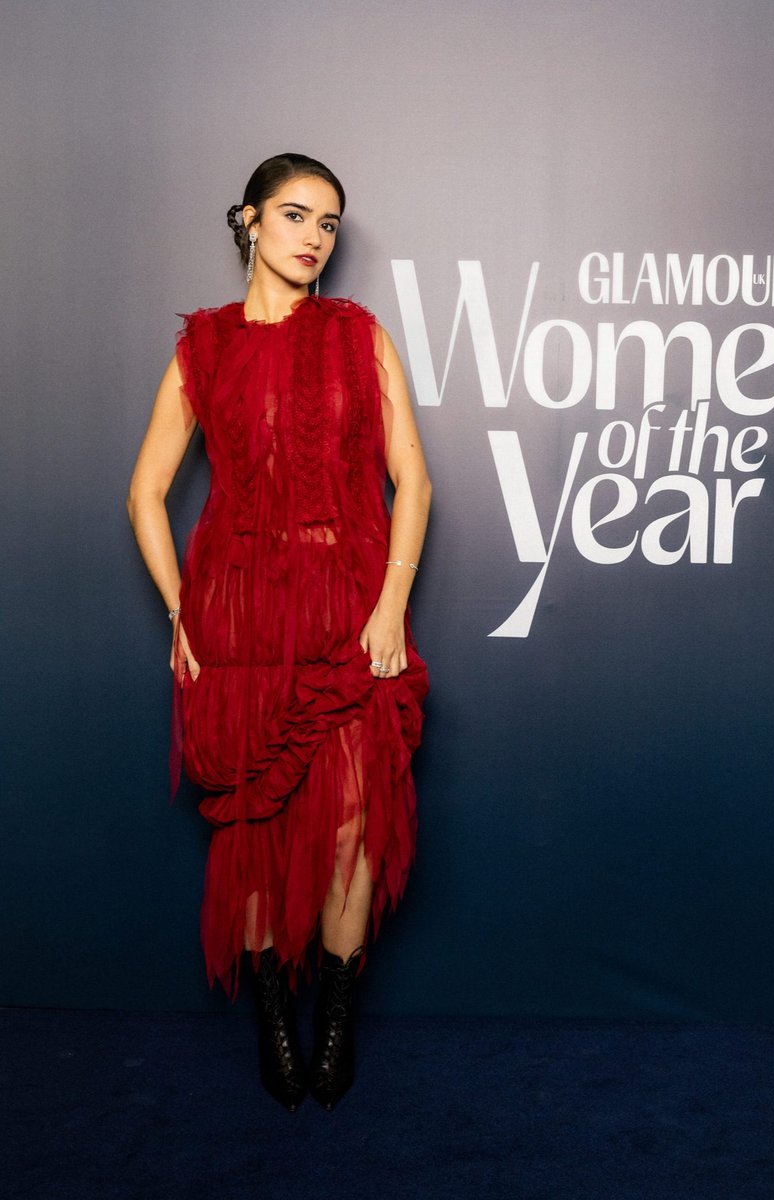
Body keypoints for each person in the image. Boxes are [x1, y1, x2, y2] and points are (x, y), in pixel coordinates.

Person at [127, 153, 431, 1112]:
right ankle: (272, 1024)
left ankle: (335, 1019)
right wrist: (182, 611)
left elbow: (413, 484)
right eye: (296, 216)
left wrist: (390, 607)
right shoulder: (205, 346)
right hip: (239, 614)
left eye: (330, 224)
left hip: (347, 601)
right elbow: (145, 493)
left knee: (351, 826)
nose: (314, 238)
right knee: (255, 830)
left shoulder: (358, 336)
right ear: (249, 221)